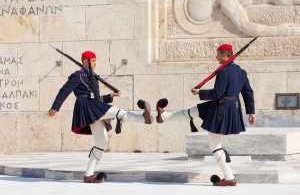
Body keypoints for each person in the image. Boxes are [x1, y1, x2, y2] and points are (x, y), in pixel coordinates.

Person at [156, 44, 257, 186]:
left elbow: (217, 93)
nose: (216, 57)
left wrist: (200, 92)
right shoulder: (241, 72)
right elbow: (248, 92)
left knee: (216, 146)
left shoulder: (223, 72)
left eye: (217, 54)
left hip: (222, 109)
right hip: (231, 108)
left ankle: (229, 178)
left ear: (224, 55)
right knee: (195, 111)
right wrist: (251, 112)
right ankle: (164, 117)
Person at [48, 51, 153, 183]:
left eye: (95, 61)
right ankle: (143, 118)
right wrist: (55, 108)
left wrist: (110, 96)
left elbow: (95, 97)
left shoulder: (93, 76)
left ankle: (88, 175)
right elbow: (64, 91)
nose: (95, 63)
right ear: (85, 62)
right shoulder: (77, 76)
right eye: (92, 61)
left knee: (101, 142)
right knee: (116, 111)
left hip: (94, 104)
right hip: (86, 106)